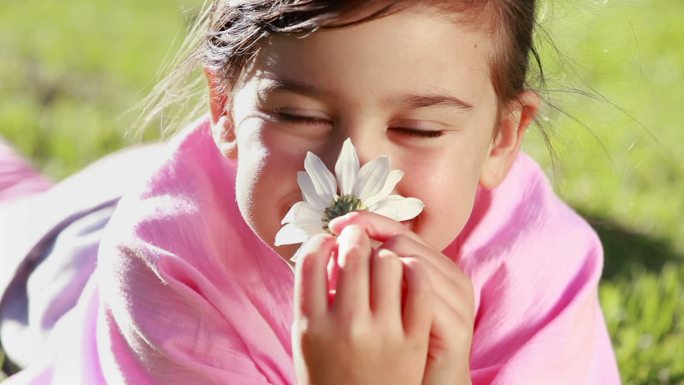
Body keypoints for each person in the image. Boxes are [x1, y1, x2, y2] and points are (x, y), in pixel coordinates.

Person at [0, 1, 622, 384]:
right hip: (85, 243)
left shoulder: (543, 271)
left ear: (500, 138)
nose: (354, 166)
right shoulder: (165, 264)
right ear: (224, 107)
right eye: (299, 116)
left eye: (420, 129)